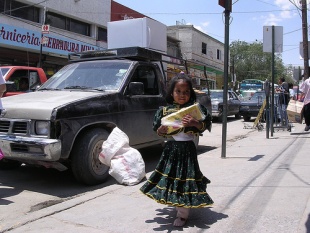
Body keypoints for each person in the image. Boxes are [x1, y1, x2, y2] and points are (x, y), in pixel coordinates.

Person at [139, 73, 213, 227]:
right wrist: (161, 130)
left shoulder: (195, 109)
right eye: (178, 91)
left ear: (191, 93)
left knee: (184, 179)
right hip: (170, 150)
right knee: (172, 179)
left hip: (187, 150)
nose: (182, 95)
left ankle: (182, 214)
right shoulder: (165, 111)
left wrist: (194, 123)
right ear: (171, 93)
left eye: (186, 92)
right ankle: (177, 203)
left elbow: (204, 126)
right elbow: (159, 132)